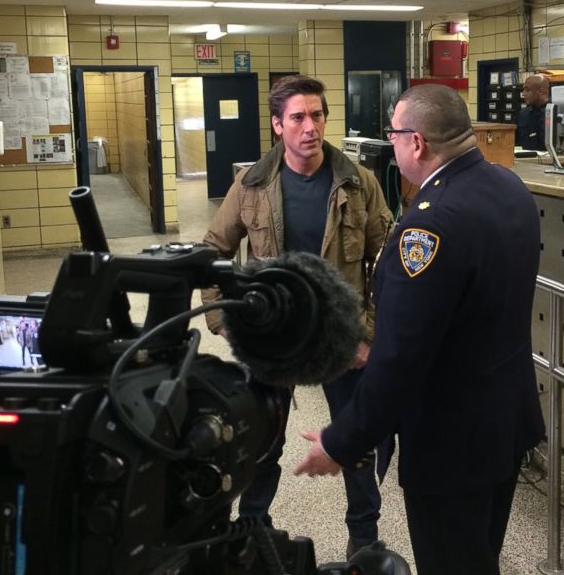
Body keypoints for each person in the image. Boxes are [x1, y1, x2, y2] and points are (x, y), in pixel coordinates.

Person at [295, 84, 545, 574]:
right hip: (506, 419)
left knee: (452, 561)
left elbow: (401, 358)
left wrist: (341, 441)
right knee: (480, 555)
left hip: (451, 440)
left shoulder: (429, 227)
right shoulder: (508, 186)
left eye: (393, 133)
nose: (391, 143)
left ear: (416, 142)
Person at [202, 74, 393, 558]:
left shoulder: (357, 182)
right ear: (276, 125)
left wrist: (367, 335)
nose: (310, 127)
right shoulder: (251, 186)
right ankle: (252, 528)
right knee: (261, 437)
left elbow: (387, 261)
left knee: (356, 441)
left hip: (342, 337)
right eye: (298, 118)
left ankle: (364, 538)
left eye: (318, 115)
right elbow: (213, 251)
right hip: (276, 335)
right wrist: (231, 323)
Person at [515, 72, 550, 150]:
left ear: (541, 92)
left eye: (527, 90)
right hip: (526, 160)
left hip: (549, 160)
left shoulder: (554, 113)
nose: (523, 94)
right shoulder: (523, 114)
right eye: (523, 90)